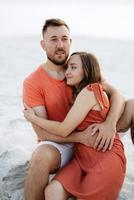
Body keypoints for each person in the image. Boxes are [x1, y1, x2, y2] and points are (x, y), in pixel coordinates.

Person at [23, 18, 125, 200]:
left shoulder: (80, 70)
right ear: (43, 44)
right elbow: (42, 132)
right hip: (61, 141)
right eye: (53, 39)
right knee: (39, 158)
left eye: (64, 38)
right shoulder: (33, 82)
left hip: (93, 133)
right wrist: (79, 137)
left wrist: (110, 123)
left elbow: (116, 93)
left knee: (132, 105)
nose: (60, 44)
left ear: (71, 41)